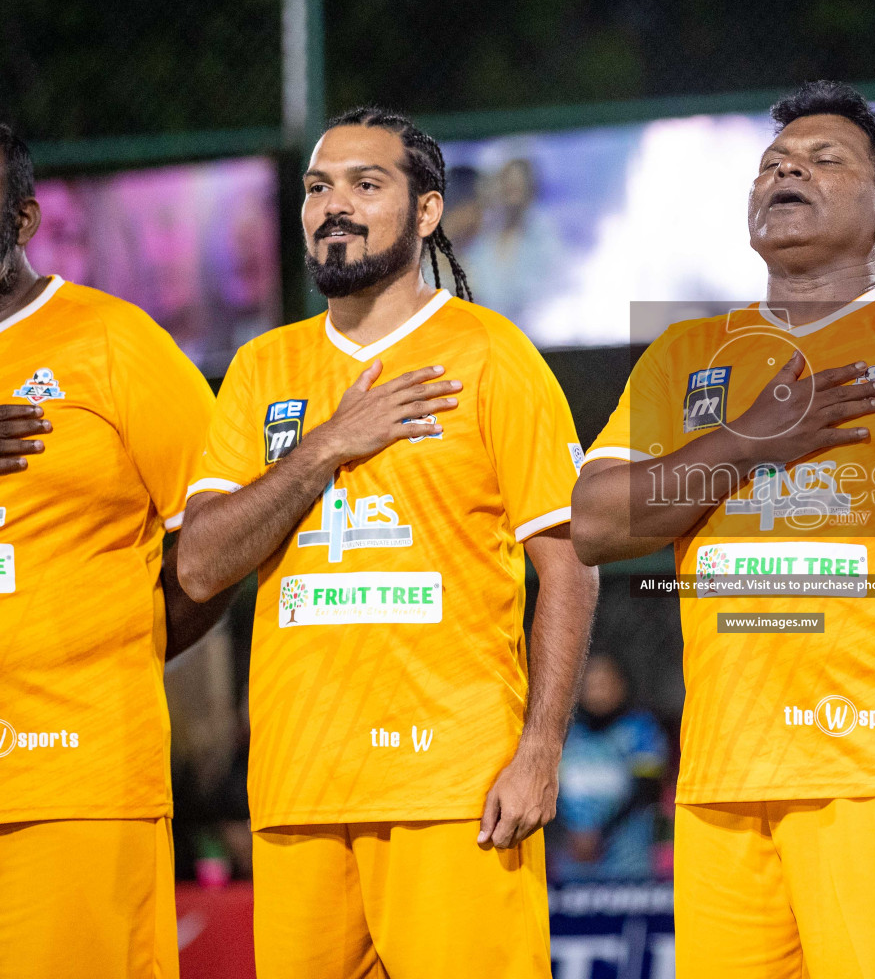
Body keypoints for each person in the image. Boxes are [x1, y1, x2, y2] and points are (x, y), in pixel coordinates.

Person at [571, 80, 875, 979]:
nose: (786, 167)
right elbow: (593, 523)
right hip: (721, 782)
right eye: (774, 163)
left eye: (826, 159)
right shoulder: (684, 354)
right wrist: (751, 438)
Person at [176, 107, 598, 978]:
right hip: (297, 792)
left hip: (455, 791)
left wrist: (541, 751)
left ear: (427, 212)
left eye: (367, 185)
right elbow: (203, 562)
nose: (336, 205)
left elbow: (571, 564)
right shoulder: (263, 368)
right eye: (318, 187)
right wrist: (329, 441)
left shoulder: (492, 355)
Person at [0, 124, 229, 978]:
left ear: (24, 219)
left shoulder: (113, 343)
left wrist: (126, 647)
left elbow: (221, 536)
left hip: (74, 777)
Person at [553, 653, 670, 880]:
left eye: (605, 684)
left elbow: (647, 790)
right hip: (572, 849)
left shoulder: (641, 729)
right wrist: (569, 833)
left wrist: (598, 833)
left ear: (621, 684)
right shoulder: (565, 732)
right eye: (591, 685)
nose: (598, 693)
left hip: (626, 850)